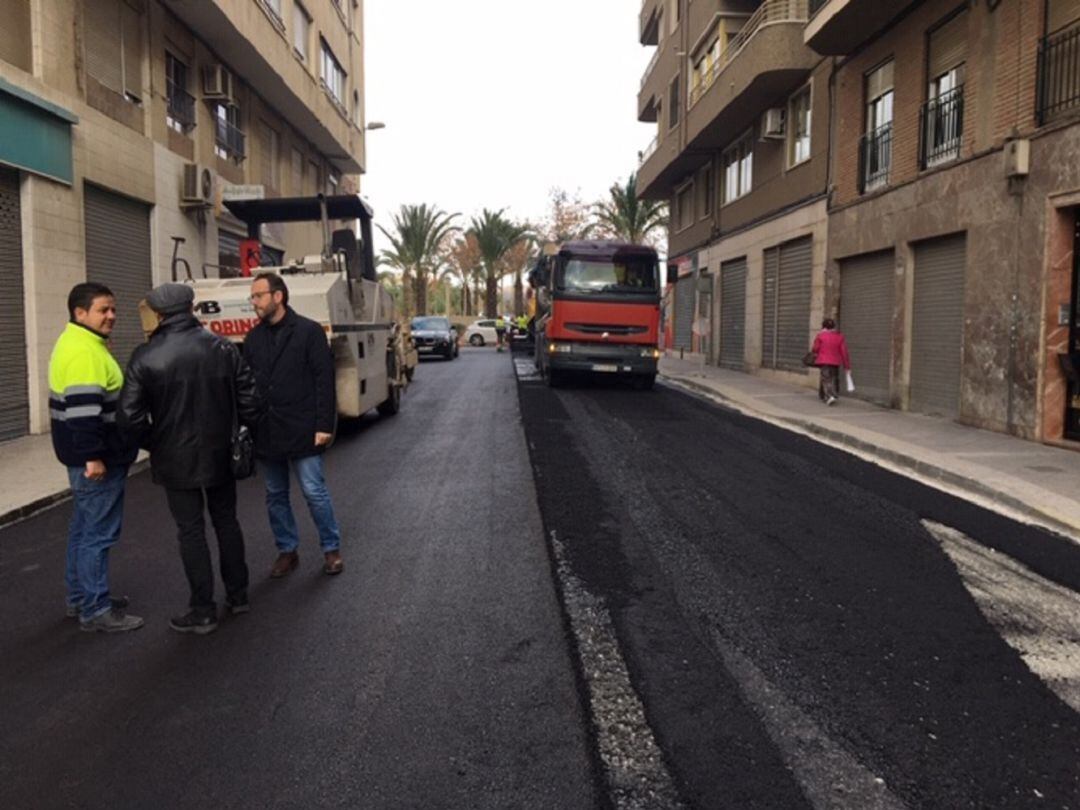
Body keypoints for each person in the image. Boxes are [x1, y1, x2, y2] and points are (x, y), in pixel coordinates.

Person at [119, 283, 261, 634]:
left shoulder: (145, 355)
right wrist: (237, 431)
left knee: (191, 531)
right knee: (226, 521)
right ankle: (239, 595)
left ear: (159, 313)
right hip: (221, 455)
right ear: (191, 307)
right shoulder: (223, 348)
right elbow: (252, 403)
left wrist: (157, 442)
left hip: (175, 459)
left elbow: (128, 418)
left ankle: (203, 610)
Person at [49, 282, 142, 632]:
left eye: (113, 309)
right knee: (98, 534)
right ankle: (95, 608)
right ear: (80, 312)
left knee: (83, 529)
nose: (111, 316)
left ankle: (80, 598)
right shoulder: (84, 352)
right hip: (96, 459)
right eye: (104, 310)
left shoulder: (79, 342)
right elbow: (83, 412)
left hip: (85, 456)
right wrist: (93, 458)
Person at [242, 272, 345, 577]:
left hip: (303, 428)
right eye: (253, 297)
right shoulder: (253, 338)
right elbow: (248, 383)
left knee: (314, 491)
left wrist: (324, 424)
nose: (254, 302)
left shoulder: (309, 332)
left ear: (278, 296)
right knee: (275, 494)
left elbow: (324, 380)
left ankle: (331, 549)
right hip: (267, 430)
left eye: (258, 296)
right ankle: (287, 551)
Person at [812, 317, 851, 406]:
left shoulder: (820, 336)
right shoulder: (839, 337)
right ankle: (823, 395)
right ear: (834, 327)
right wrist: (847, 366)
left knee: (826, 378)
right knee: (832, 378)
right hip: (835, 362)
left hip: (824, 361)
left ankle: (830, 396)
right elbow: (844, 352)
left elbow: (815, 349)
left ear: (823, 327)